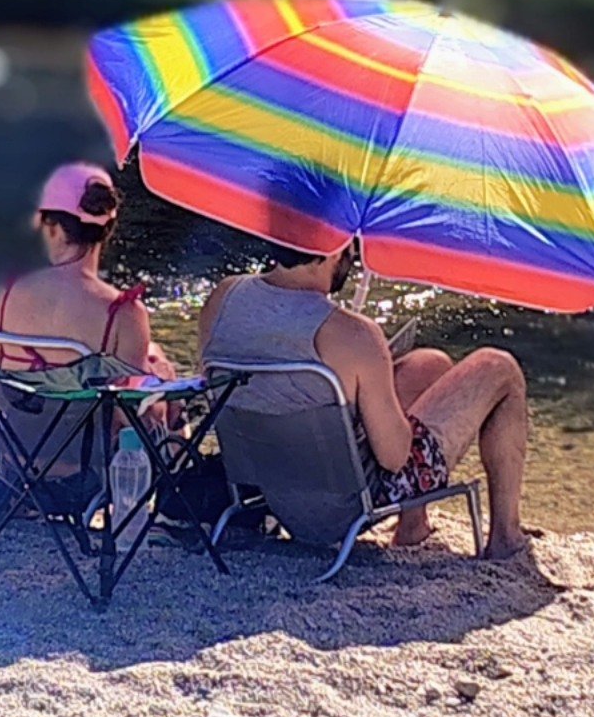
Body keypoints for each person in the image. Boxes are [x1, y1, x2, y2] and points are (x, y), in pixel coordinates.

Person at [198, 238, 529, 560]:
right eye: (350, 243)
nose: (353, 251)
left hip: (270, 489)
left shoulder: (224, 297)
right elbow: (395, 458)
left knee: (430, 365)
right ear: (333, 249)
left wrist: (371, 381)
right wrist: (378, 377)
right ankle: (506, 537)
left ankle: (413, 527)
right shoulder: (353, 334)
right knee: (499, 367)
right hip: (344, 507)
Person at [0, 163, 169, 375]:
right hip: (86, 399)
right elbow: (130, 395)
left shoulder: (4, 293)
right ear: (108, 229)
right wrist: (158, 369)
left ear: (54, 229)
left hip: (9, 398)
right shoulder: (124, 314)